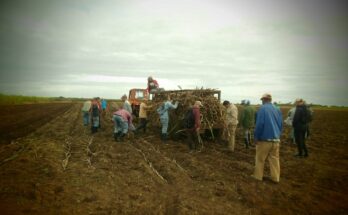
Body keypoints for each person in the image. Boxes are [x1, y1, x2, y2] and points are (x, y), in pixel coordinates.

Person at [252, 93, 283, 183]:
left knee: (260, 159)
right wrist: (277, 135)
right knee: (275, 159)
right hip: (276, 140)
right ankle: (275, 178)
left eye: (262, 100)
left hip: (264, 140)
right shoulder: (277, 109)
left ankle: (257, 177)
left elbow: (259, 124)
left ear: (263, 100)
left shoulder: (262, 109)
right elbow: (281, 125)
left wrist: (256, 137)